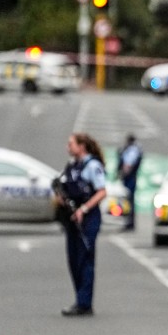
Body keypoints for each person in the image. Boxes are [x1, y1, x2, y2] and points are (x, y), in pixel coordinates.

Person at [55, 133, 108, 316]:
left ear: (82, 146)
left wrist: (84, 209)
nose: (68, 147)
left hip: (87, 217)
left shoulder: (92, 166)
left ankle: (84, 303)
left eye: (71, 144)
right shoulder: (71, 166)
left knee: (85, 258)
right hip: (72, 217)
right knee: (73, 259)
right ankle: (80, 298)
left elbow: (101, 192)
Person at [116, 133, 143, 231]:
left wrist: (122, 172)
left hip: (129, 178)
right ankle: (129, 221)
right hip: (130, 178)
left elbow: (128, 164)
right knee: (128, 200)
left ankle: (129, 222)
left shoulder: (132, 150)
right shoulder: (134, 149)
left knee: (128, 200)